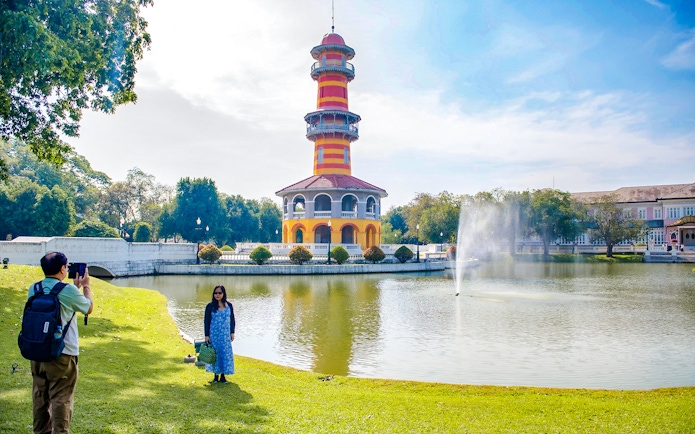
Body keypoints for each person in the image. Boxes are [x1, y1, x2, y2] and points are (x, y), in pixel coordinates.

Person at [29, 252, 93, 434]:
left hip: (37, 350)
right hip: (62, 354)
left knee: (40, 396)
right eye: (66, 265)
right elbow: (88, 308)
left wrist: (74, 289)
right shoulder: (67, 291)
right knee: (61, 398)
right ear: (62, 269)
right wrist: (86, 287)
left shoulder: (34, 288)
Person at [203, 285, 235, 383]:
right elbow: (206, 321)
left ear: (223, 294)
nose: (217, 295)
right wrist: (207, 335)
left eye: (219, 293)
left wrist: (232, 332)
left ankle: (223, 376)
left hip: (225, 335)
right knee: (215, 354)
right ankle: (216, 376)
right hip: (214, 334)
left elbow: (232, 319)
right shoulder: (210, 306)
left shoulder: (229, 305)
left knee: (224, 354)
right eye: (215, 293)